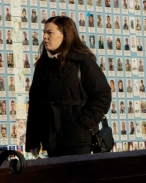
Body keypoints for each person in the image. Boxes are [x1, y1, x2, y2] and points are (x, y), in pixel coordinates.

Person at [26, 16, 111, 157]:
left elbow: (102, 95)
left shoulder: (82, 62)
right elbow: (35, 105)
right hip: (52, 142)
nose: (45, 37)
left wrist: (83, 123)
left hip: (79, 141)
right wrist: (33, 140)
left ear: (64, 35)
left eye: (50, 33)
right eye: (44, 33)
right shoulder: (42, 66)